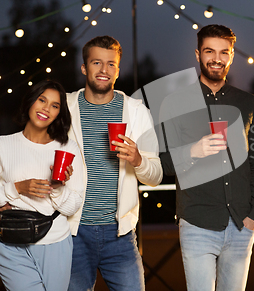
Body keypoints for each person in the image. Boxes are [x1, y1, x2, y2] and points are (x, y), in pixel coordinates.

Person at [160, 24, 254, 291]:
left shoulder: (248, 102)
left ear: (231, 56)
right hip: (197, 222)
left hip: (242, 224)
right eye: (209, 51)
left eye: (224, 52)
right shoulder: (175, 103)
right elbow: (161, 164)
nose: (216, 58)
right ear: (198, 54)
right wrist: (193, 151)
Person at [66, 35, 163, 291]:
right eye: (97, 63)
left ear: (118, 71)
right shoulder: (65, 107)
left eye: (111, 64)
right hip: (73, 232)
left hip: (119, 234)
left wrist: (139, 160)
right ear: (84, 68)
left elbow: (155, 176)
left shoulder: (136, 111)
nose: (104, 70)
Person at [0, 80, 84, 291]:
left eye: (55, 105)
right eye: (42, 100)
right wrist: (17, 188)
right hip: (8, 242)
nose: (46, 108)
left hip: (54, 241)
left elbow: (73, 206)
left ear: (59, 113)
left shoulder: (68, 148)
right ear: (30, 102)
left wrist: (58, 187)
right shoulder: (3, 145)